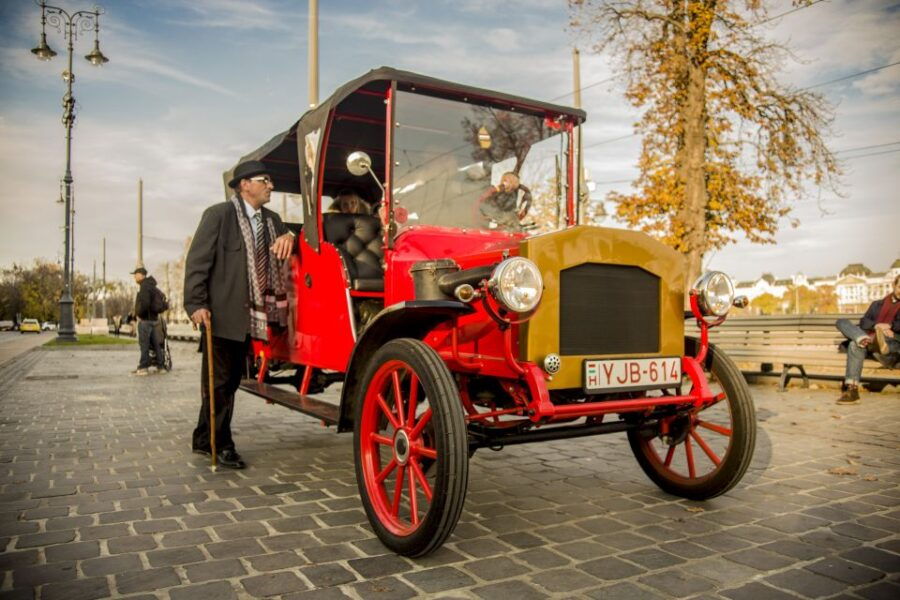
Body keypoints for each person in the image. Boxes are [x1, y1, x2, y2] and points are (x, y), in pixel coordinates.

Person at [183, 160, 295, 469]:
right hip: (220, 315)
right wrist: (196, 305)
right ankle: (221, 444)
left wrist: (290, 237)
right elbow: (197, 263)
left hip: (253, 316)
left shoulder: (273, 220)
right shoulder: (218, 215)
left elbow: (295, 236)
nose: (271, 185)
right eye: (265, 180)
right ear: (244, 184)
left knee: (228, 381)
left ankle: (203, 437)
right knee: (220, 382)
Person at [835, 274, 900, 405]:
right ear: (894, 285)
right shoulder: (877, 304)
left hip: (889, 344)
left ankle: (852, 390)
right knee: (841, 322)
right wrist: (876, 326)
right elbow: (864, 322)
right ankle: (862, 338)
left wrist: (889, 326)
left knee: (854, 345)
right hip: (869, 339)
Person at [132, 267, 166, 375]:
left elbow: (145, 303)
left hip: (145, 320)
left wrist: (140, 314)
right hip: (154, 320)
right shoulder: (152, 286)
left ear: (141, 275)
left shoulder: (144, 286)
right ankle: (161, 366)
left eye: (136, 274)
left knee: (144, 344)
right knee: (156, 344)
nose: (134, 277)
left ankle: (143, 367)